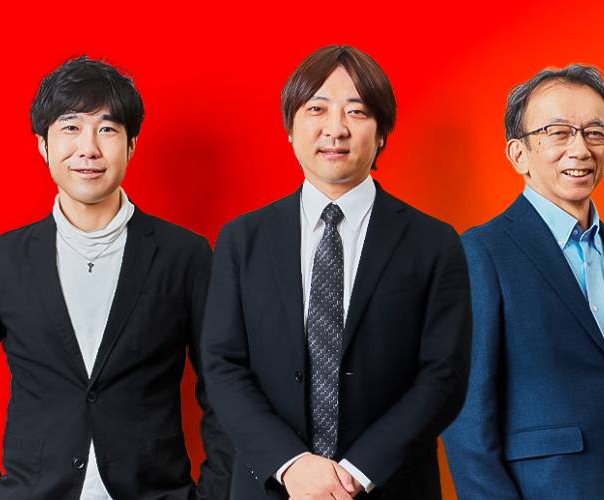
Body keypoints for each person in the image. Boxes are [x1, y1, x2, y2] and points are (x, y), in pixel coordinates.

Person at [0, 56, 232, 499]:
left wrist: (215, 493)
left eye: (108, 129)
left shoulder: (185, 255)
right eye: (71, 127)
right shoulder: (2, 259)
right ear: (43, 144)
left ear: (131, 145)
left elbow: (223, 382)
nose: (88, 148)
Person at [200, 45, 472, 500]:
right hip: (271, 485)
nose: (336, 129)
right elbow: (223, 366)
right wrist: (292, 466)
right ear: (290, 127)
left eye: (358, 111)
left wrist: (355, 474)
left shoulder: (434, 242)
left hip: (390, 485)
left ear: (382, 131)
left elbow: (443, 376)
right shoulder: (242, 240)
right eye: (317, 109)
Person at [443, 65, 604, 499]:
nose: (580, 148)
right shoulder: (481, 252)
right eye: (558, 132)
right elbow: (465, 418)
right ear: (518, 154)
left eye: (595, 132)